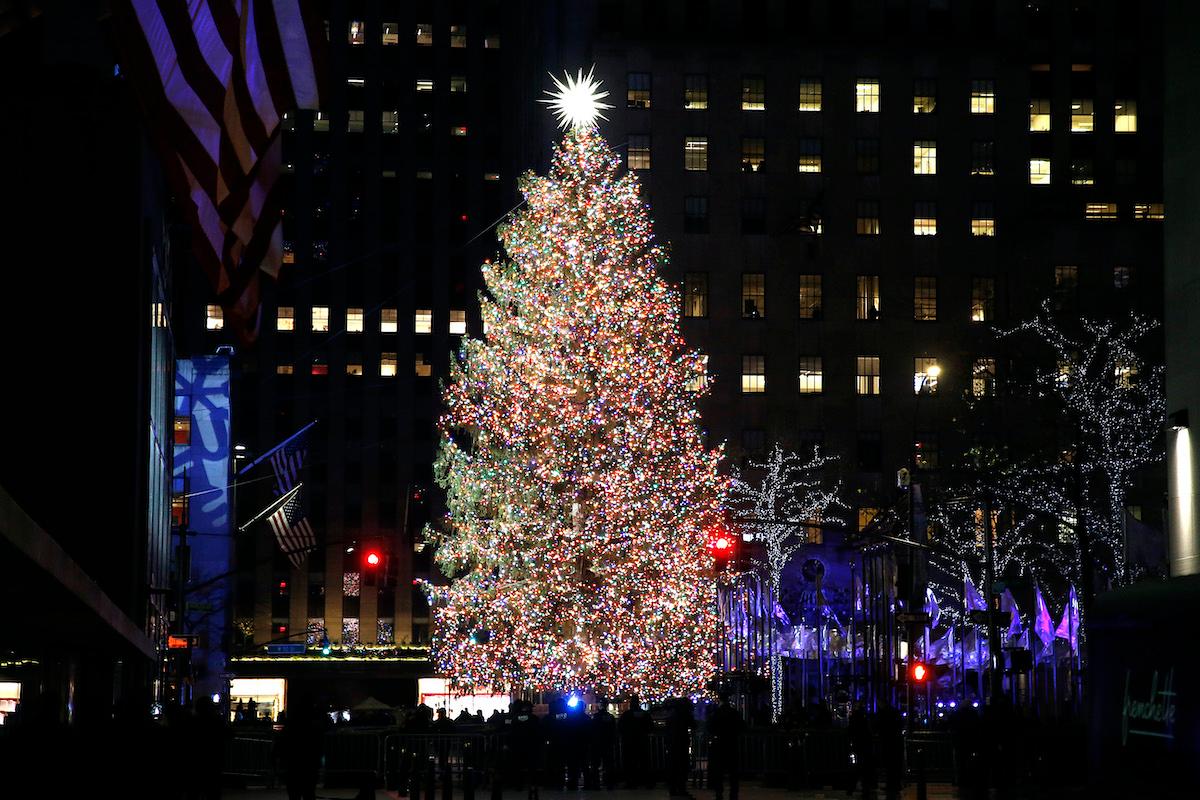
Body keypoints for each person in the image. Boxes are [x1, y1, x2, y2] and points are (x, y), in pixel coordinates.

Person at [707, 691, 742, 800]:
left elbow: (710, 728)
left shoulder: (716, 713)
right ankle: (733, 795)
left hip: (719, 745)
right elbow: (742, 726)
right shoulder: (734, 712)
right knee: (733, 773)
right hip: (732, 744)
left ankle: (719, 794)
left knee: (719, 772)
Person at [618, 695, 653, 789]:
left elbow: (620, 727)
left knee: (630, 763)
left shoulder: (626, 715)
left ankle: (631, 782)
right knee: (644, 762)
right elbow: (650, 727)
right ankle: (646, 782)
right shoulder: (644, 714)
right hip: (642, 741)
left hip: (629, 742)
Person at [665, 698, 694, 798]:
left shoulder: (671, 716)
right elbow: (693, 724)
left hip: (672, 744)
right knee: (682, 767)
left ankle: (673, 789)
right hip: (682, 744)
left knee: (673, 767)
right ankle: (681, 789)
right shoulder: (685, 715)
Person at [846, 701, 876, 799]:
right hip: (865, 745)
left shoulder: (854, 717)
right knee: (865, 767)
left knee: (856, 767)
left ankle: (852, 787)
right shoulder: (865, 717)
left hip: (858, 745)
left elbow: (851, 731)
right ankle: (865, 788)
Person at [589, 697, 618, 790]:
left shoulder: (596, 717)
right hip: (608, 743)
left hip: (597, 743)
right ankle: (610, 783)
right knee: (608, 764)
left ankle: (596, 783)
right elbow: (614, 730)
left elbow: (592, 730)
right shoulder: (610, 717)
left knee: (595, 764)